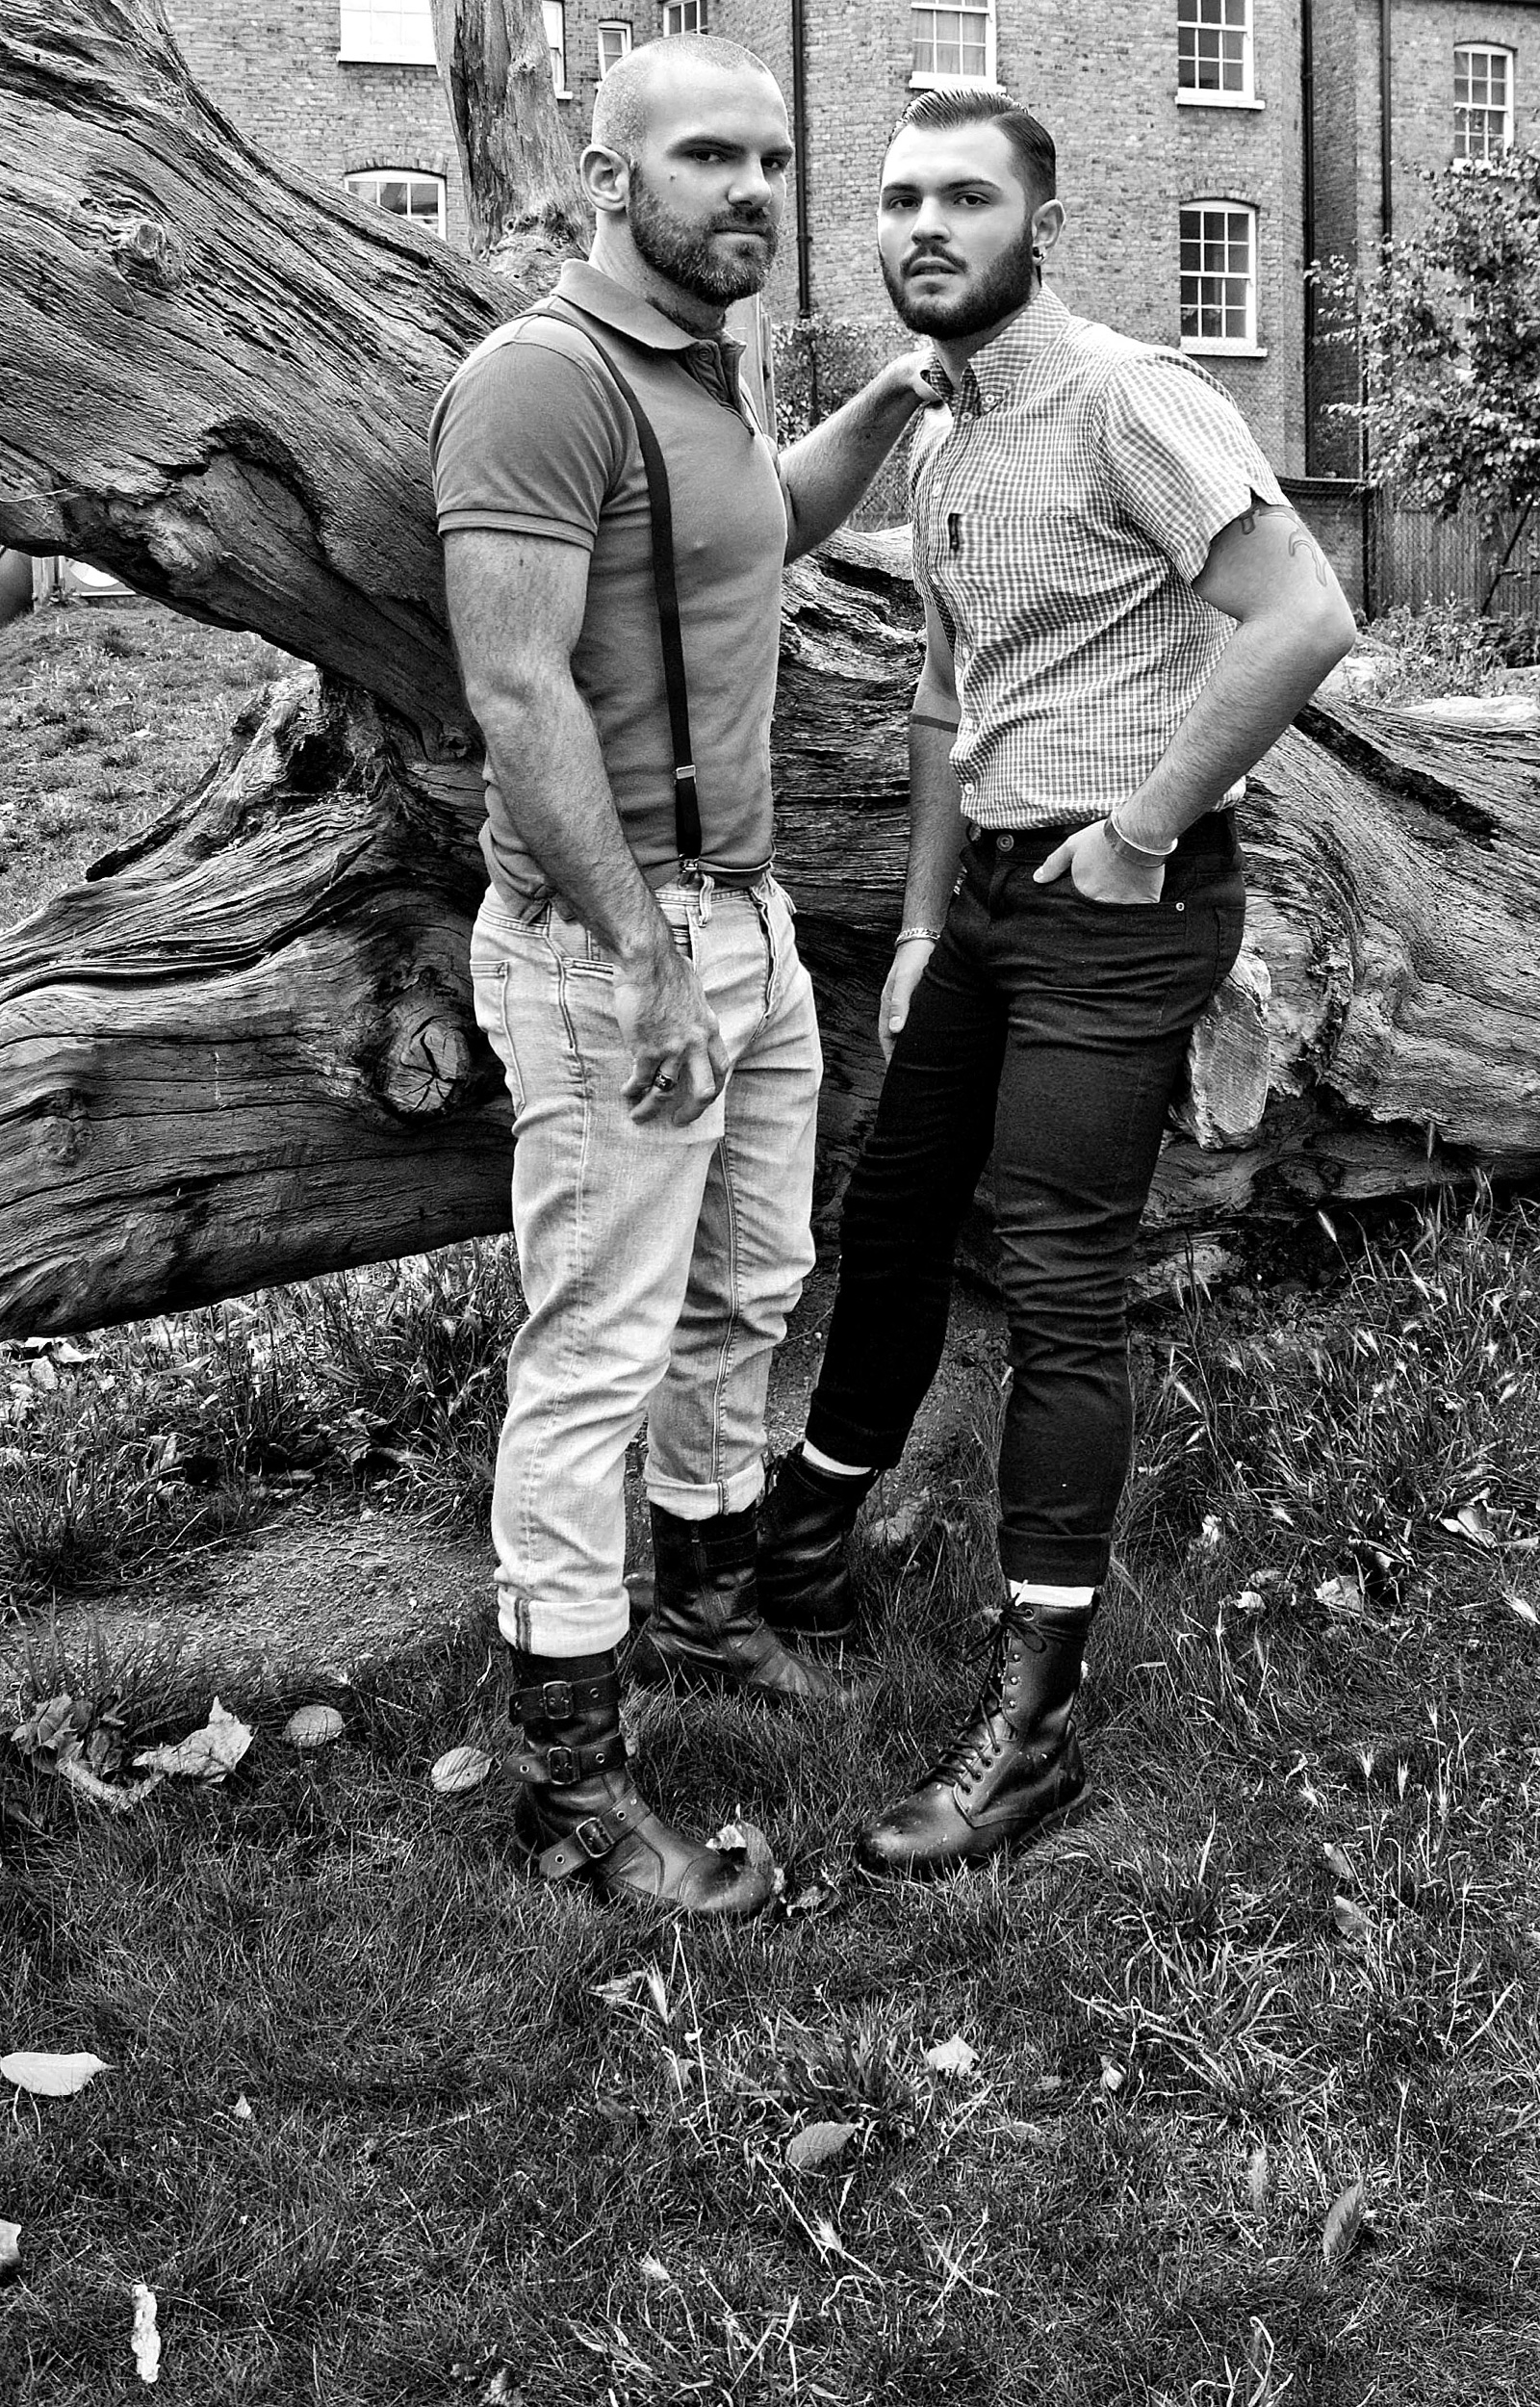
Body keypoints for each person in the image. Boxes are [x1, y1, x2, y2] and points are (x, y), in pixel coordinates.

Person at [757, 87, 1356, 1879]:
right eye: (896, 202)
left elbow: (1306, 614)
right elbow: (948, 703)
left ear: (1044, 224)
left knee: (1055, 1278)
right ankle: (811, 1547)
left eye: (964, 199)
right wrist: (930, 921)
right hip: (996, 904)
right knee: (896, 1207)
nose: (922, 228)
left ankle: (1033, 1730)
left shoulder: (1127, 399)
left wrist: (1142, 830)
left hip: (1122, 900)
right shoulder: (941, 446)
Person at [429, 35, 936, 1919]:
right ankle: (566, 1782)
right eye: (704, 156)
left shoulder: (699, 371)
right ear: (607, 167)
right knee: (592, 1355)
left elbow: (750, 537)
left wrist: (881, 406)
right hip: (605, 947)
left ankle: (709, 1615)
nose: (746, 188)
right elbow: (513, 687)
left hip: (747, 923)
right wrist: (643, 957)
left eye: (769, 158)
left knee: (750, 1285)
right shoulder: (535, 384)